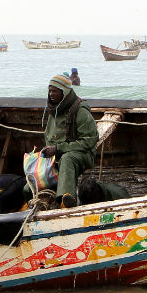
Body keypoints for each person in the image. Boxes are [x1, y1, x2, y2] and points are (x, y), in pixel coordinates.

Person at [40, 74, 98, 209]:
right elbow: (49, 138)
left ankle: (67, 198)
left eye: (55, 91)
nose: (51, 94)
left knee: (67, 159)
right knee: (31, 179)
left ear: (64, 92)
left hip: (82, 155)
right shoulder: (53, 111)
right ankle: (35, 201)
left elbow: (89, 142)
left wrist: (58, 148)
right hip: (58, 154)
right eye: (49, 91)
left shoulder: (80, 112)